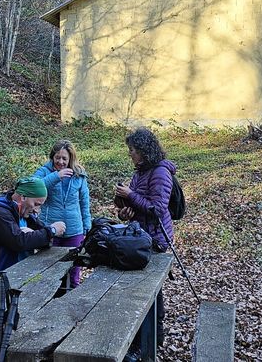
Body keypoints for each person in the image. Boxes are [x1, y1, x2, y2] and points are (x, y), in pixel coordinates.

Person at [114, 127, 177, 362]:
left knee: (149, 290)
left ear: (143, 150)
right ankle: (145, 339)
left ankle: (149, 341)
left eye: (132, 150)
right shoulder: (140, 172)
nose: (129, 154)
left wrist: (130, 195)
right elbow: (139, 206)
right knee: (143, 289)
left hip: (156, 239)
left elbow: (158, 209)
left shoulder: (160, 172)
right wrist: (124, 211)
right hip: (140, 236)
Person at [0, 177, 67, 291]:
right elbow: (18, 242)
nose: (37, 210)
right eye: (36, 204)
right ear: (23, 197)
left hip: (15, 276)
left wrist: (37, 235)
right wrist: (51, 231)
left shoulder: (26, 214)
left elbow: (45, 240)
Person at [32, 140, 92, 288]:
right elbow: (34, 187)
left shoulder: (79, 174)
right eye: (57, 157)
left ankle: (71, 299)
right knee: (49, 272)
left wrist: (87, 225)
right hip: (50, 229)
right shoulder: (44, 171)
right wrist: (56, 176)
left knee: (74, 272)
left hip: (74, 230)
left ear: (71, 159)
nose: (60, 162)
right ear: (52, 157)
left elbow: (84, 202)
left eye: (64, 158)